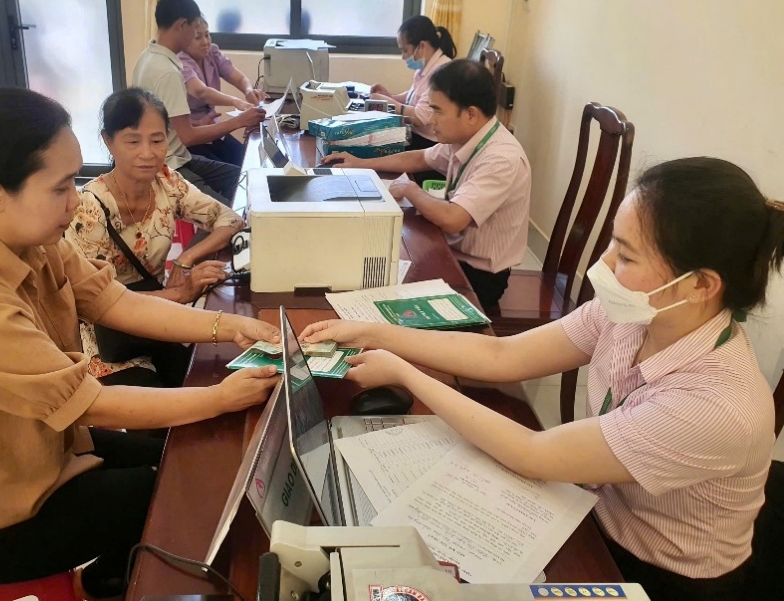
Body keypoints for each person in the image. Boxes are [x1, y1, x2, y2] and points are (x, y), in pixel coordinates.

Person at [301, 157, 784, 601]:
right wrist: (373, 332)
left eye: (627, 256)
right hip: (592, 512)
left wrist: (405, 373)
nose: (603, 266)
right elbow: (503, 355)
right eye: (613, 243)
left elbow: (534, 455)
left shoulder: (716, 406)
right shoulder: (637, 313)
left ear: (699, 284)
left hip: (659, 572)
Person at [0, 86, 280, 600]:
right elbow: (88, 401)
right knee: (169, 490)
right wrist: (219, 397)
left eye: (74, 181)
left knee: (179, 453)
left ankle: (109, 578)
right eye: (59, 188)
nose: (75, 200)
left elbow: (117, 302)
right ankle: (108, 584)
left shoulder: (31, 241)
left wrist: (229, 326)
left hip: (44, 452)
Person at [66, 87, 244, 387]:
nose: (148, 153)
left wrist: (186, 259)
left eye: (157, 140)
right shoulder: (88, 209)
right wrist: (179, 294)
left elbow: (230, 220)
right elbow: (93, 302)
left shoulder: (166, 181)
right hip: (106, 341)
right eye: (133, 141)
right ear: (108, 141)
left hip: (154, 321)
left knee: (215, 371)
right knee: (174, 404)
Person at [322, 60, 530, 311]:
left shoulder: (500, 159)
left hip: (478, 276)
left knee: (375, 283)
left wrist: (410, 189)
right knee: (372, 260)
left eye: (438, 111)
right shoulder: (468, 137)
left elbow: (453, 219)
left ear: (471, 114)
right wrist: (361, 163)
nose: (431, 120)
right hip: (453, 252)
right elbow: (420, 157)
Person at [133, 0, 265, 205]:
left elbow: (164, 122)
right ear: (182, 26)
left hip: (177, 157)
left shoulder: (147, 56)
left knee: (246, 179)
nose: (200, 37)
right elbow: (188, 136)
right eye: (195, 30)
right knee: (232, 209)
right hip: (171, 165)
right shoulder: (167, 71)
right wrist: (240, 121)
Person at [178, 16, 266, 167]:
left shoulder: (212, 52)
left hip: (214, 129)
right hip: (194, 133)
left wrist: (248, 91)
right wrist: (235, 101)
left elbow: (239, 78)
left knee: (250, 161)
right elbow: (201, 92)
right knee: (235, 170)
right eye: (198, 37)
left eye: (207, 35)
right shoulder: (180, 61)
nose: (205, 42)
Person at [369, 14, 456, 152]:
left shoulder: (443, 72)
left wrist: (388, 103)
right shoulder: (425, 67)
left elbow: (420, 118)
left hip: (428, 143)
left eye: (405, 50)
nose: (403, 57)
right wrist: (389, 96)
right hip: (415, 134)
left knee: (374, 147)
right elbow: (413, 96)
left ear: (422, 46)